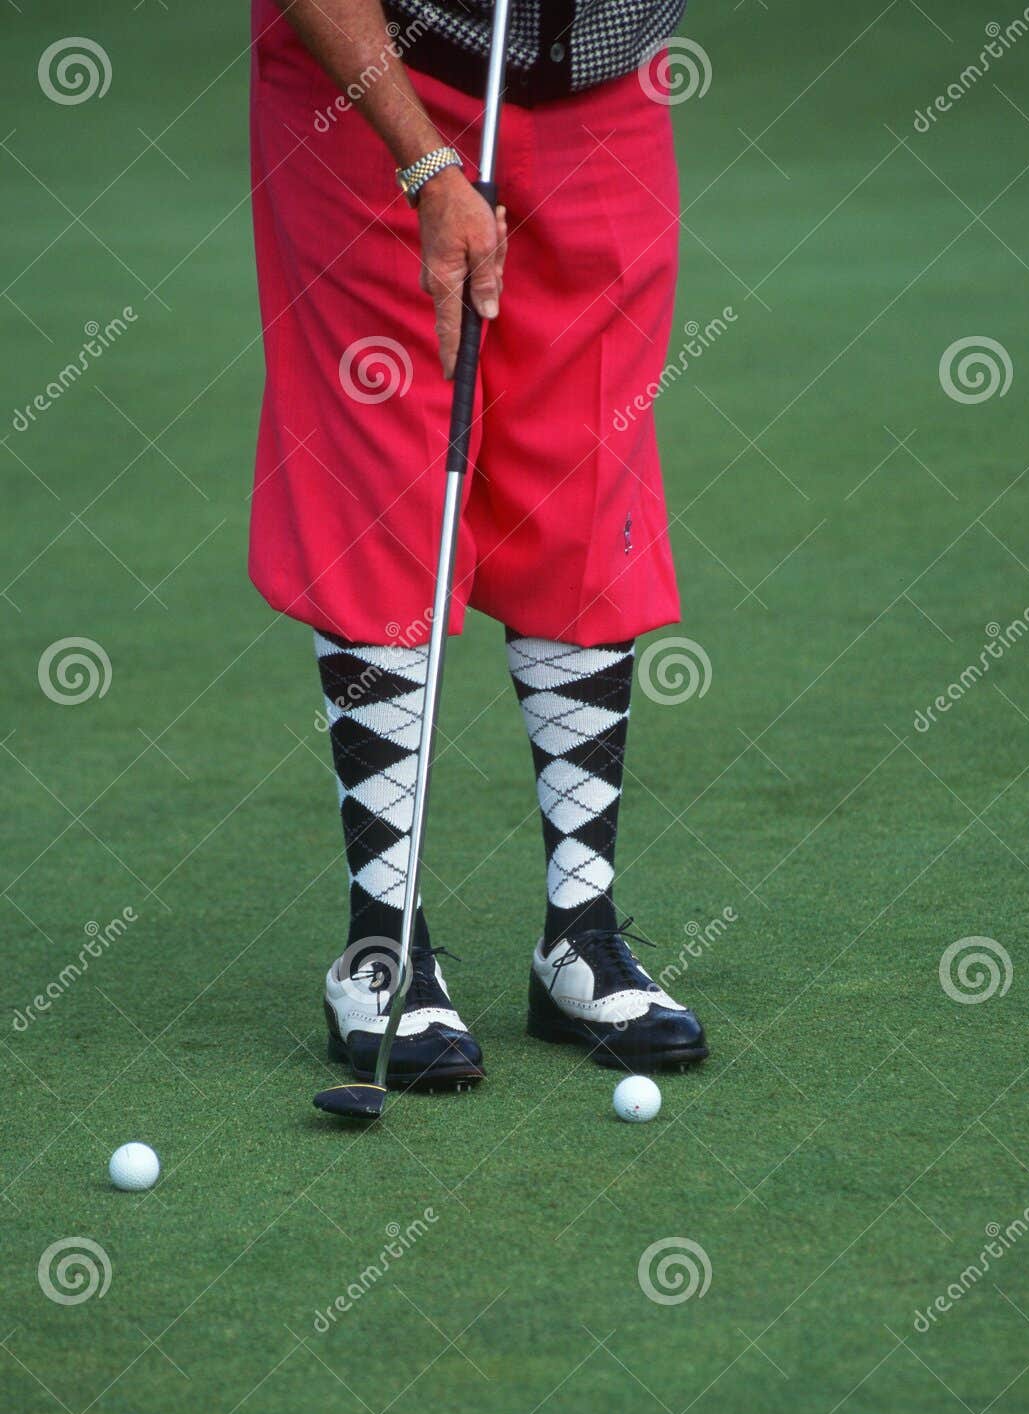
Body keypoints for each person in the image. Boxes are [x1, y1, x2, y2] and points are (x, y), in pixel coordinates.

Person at [249, 0, 708, 1090]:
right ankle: (380, 948)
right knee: (385, 485)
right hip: (376, 84)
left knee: (586, 476)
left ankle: (580, 940)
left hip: (601, 86)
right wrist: (427, 169)